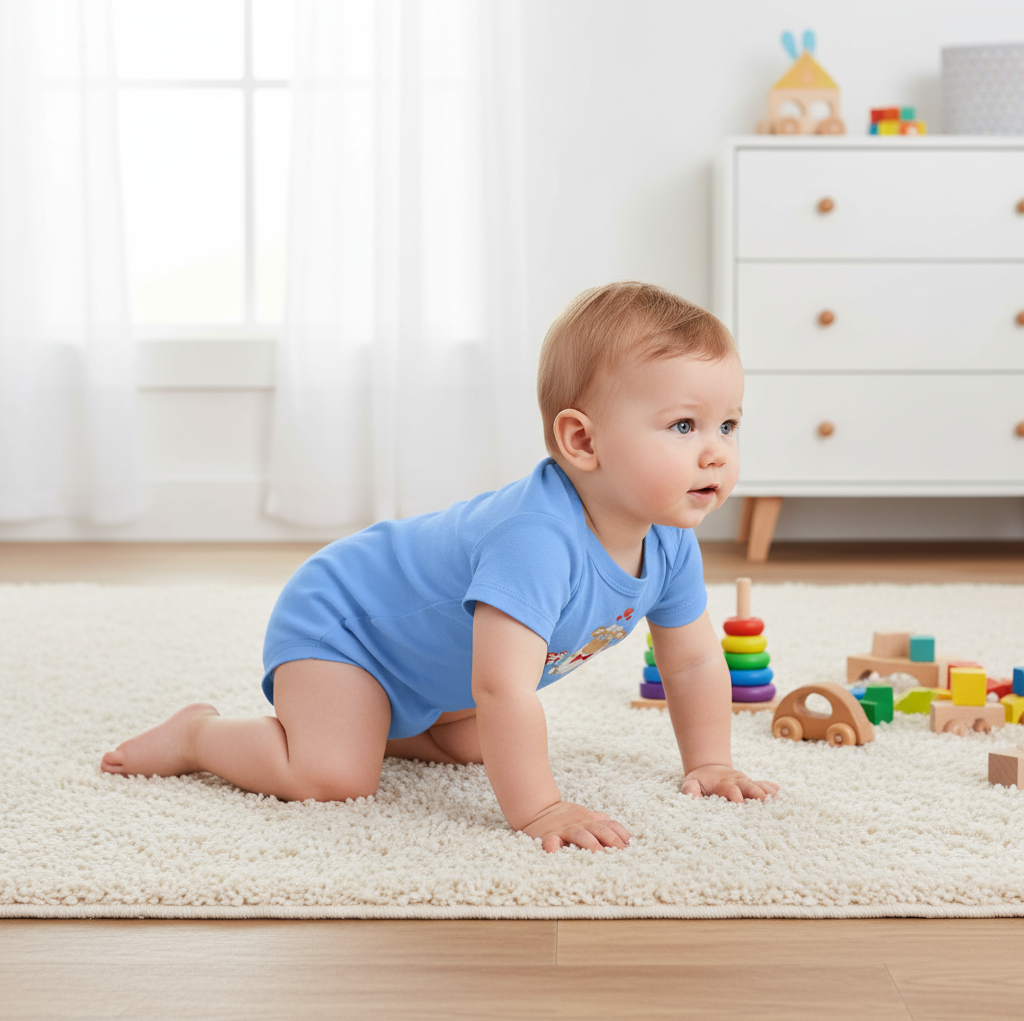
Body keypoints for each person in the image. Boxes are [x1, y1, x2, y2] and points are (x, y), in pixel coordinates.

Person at [101, 281, 779, 853]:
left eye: (729, 426)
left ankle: (379, 725)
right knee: (334, 776)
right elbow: (503, 689)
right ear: (581, 440)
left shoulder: (668, 540)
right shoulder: (536, 540)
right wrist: (541, 809)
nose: (717, 451)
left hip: (431, 668)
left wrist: (711, 762)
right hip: (347, 624)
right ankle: (199, 735)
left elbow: (690, 662)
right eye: (685, 426)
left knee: (482, 747)